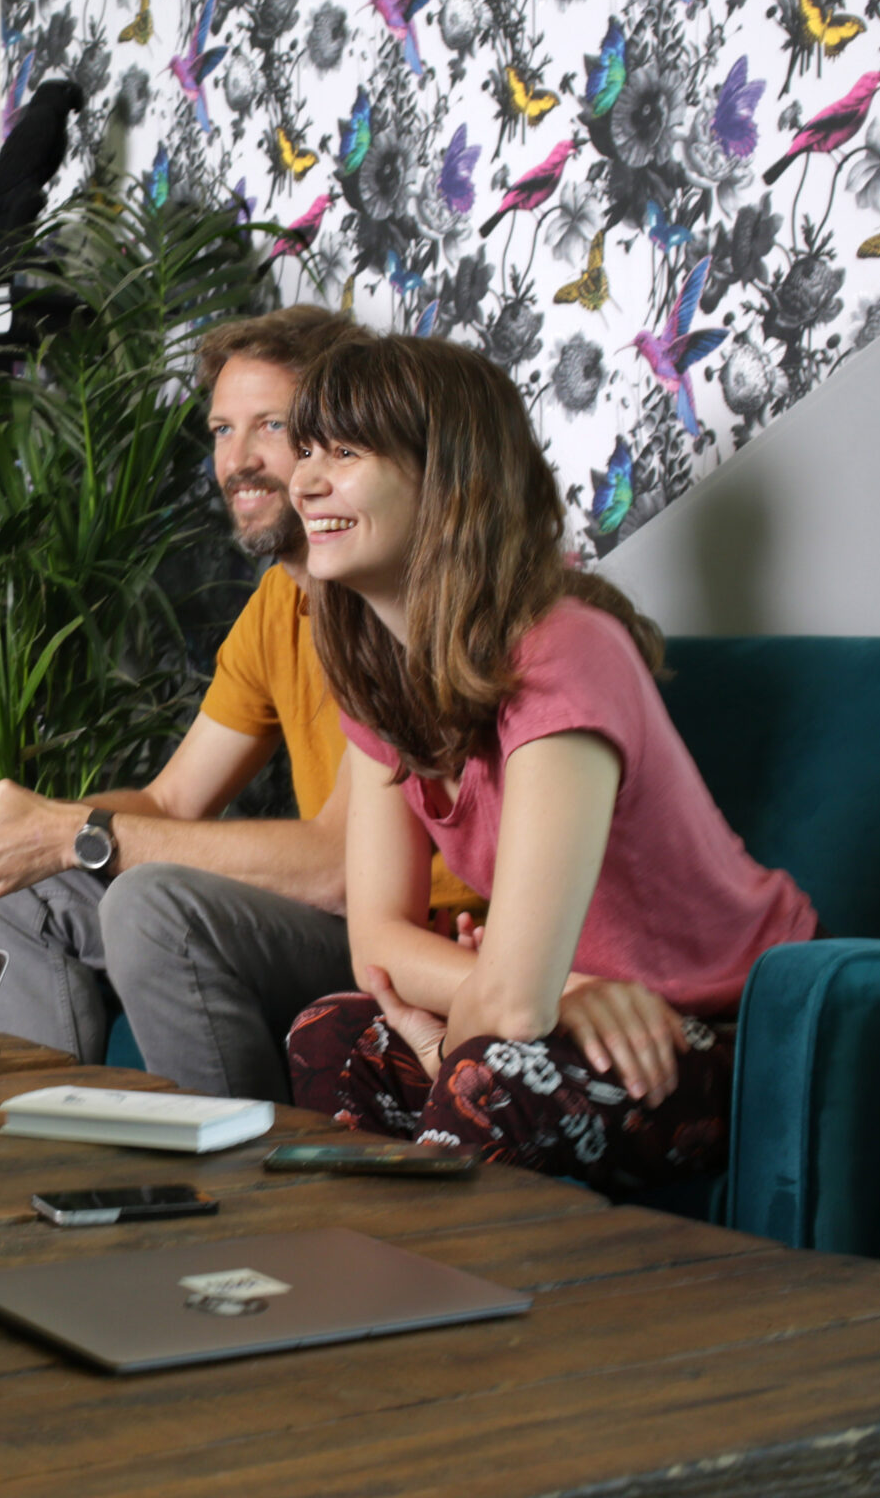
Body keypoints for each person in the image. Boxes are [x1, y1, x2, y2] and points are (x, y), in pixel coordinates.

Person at [280, 329, 817, 1194]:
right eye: (306, 452)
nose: (304, 481)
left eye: (344, 452)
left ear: (449, 482)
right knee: (330, 1032)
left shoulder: (563, 652)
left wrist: (471, 1021)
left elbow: (510, 1011)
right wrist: (566, 987)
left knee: (486, 1076)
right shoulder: (380, 679)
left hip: (723, 1030)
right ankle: (373, 1275)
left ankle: (401, 1297)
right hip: (581, 1010)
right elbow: (377, 941)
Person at [0, 306, 484, 1100]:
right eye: (222, 430)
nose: (240, 460)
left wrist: (74, 834)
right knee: (13, 882)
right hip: (320, 914)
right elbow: (171, 799)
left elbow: (340, 867)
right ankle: (35, 1144)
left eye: (270, 425)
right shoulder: (279, 605)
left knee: (150, 905)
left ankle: (225, 1185)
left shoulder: (403, 603)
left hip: (411, 932)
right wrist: (28, 829)